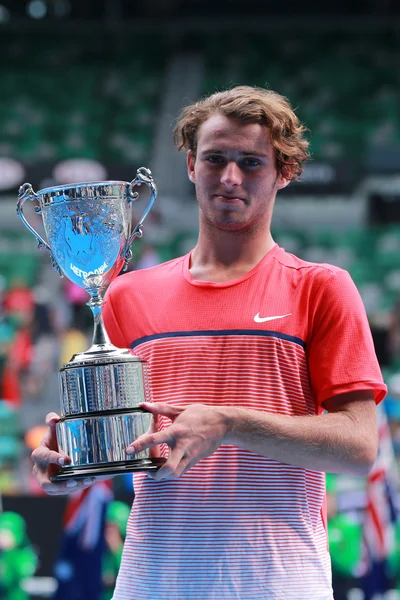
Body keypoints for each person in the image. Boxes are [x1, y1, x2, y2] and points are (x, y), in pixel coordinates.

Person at [31, 86, 387, 600]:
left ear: (284, 172)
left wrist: (229, 422)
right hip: (151, 582)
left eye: (252, 162)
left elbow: (358, 447)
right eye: (216, 159)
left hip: (280, 583)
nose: (230, 178)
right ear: (192, 165)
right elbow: (120, 443)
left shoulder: (321, 286)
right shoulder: (127, 294)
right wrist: (70, 465)